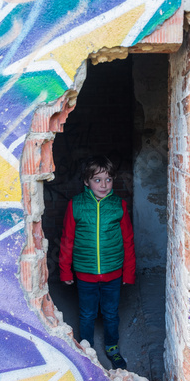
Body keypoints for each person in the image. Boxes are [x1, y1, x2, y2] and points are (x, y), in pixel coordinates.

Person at [59, 155, 136, 369]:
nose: (104, 185)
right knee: (87, 313)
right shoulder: (76, 205)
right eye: (97, 180)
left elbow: (128, 241)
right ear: (86, 181)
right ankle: (87, 350)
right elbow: (67, 240)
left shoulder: (118, 206)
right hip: (85, 273)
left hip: (113, 272)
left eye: (108, 179)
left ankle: (112, 347)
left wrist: (128, 273)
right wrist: (65, 271)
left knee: (111, 313)